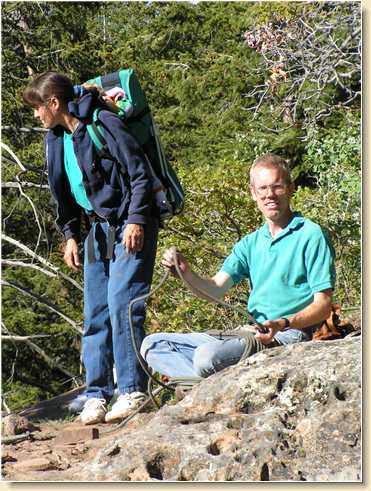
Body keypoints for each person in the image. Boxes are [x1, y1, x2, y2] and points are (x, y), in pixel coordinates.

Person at [23, 71, 159, 424]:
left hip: (131, 223)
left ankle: (133, 390)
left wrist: (136, 220)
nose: (37, 116)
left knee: (122, 303)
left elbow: (140, 174)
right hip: (97, 231)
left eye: (38, 108)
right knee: (95, 313)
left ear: (54, 103)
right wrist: (70, 235)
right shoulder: (56, 138)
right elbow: (63, 191)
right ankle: (97, 394)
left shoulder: (103, 121)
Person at [140, 154, 336, 379]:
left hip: (288, 335)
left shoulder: (310, 234)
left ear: (291, 189)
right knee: (154, 344)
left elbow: (323, 305)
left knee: (206, 357)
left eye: (277, 187)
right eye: (262, 188)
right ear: (253, 193)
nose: (269, 195)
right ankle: (203, 382)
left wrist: (283, 323)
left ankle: (198, 380)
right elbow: (215, 289)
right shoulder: (250, 243)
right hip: (249, 332)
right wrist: (186, 273)